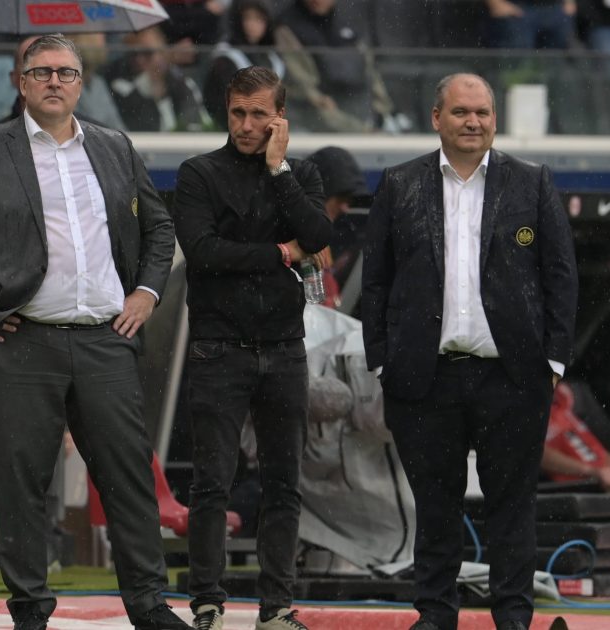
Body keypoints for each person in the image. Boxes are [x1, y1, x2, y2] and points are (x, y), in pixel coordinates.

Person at [0, 34, 191, 630]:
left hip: (104, 340)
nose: (54, 81)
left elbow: (160, 228)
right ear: (21, 83)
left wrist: (147, 292)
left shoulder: (114, 146)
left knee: (129, 479)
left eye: (65, 72)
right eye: (41, 72)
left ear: (81, 82)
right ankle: (31, 612)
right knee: (20, 485)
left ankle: (150, 607)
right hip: (18, 341)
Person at [361, 73, 578, 630]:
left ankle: (513, 618)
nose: (473, 122)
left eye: (482, 112)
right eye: (460, 112)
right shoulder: (398, 183)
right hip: (423, 377)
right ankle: (435, 616)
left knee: (512, 507)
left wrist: (551, 363)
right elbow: (377, 283)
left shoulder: (531, 183)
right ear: (436, 118)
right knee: (434, 509)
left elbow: (561, 277)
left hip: (513, 376)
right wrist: (382, 361)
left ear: (495, 119)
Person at [173, 65, 331, 630]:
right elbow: (205, 252)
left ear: (279, 117)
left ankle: (277, 609)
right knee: (211, 482)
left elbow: (318, 237)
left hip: (285, 347)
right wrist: (282, 254)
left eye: (258, 114)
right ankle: (208, 603)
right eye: (238, 112)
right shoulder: (199, 173)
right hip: (220, 347)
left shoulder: (300, 174)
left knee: (284, 484)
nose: (245, 124)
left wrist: (278, 170)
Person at [273, 0, 399, 134]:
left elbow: (369, 70)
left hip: (359, 109)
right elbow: (303, 85)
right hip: (312, 119)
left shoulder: (347, 22)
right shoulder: (288, 26)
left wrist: (386, 109)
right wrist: (364, 131)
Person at [107, 26, 212, 132]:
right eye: (133, 54)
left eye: (147, 53)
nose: (139, 60)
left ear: (163, 54)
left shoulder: (183, 84)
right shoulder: (120, 86)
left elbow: (197, 123)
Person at [202, 0, 285, 129]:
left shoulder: (273, 58)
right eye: (247, 18)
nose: (252, 25)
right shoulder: (226, 58)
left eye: (259, 19)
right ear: (238, 20)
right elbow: (220, 105)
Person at [305, 146, 368, 310]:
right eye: (340, 198)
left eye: (349, 200)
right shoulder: (296, 245)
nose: (345, 208)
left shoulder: (341, 242)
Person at [486, 0, 576, 50]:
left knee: (558, 59)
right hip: (518, 9)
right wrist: (496, 3)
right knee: (517, 58)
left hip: (556, 8)